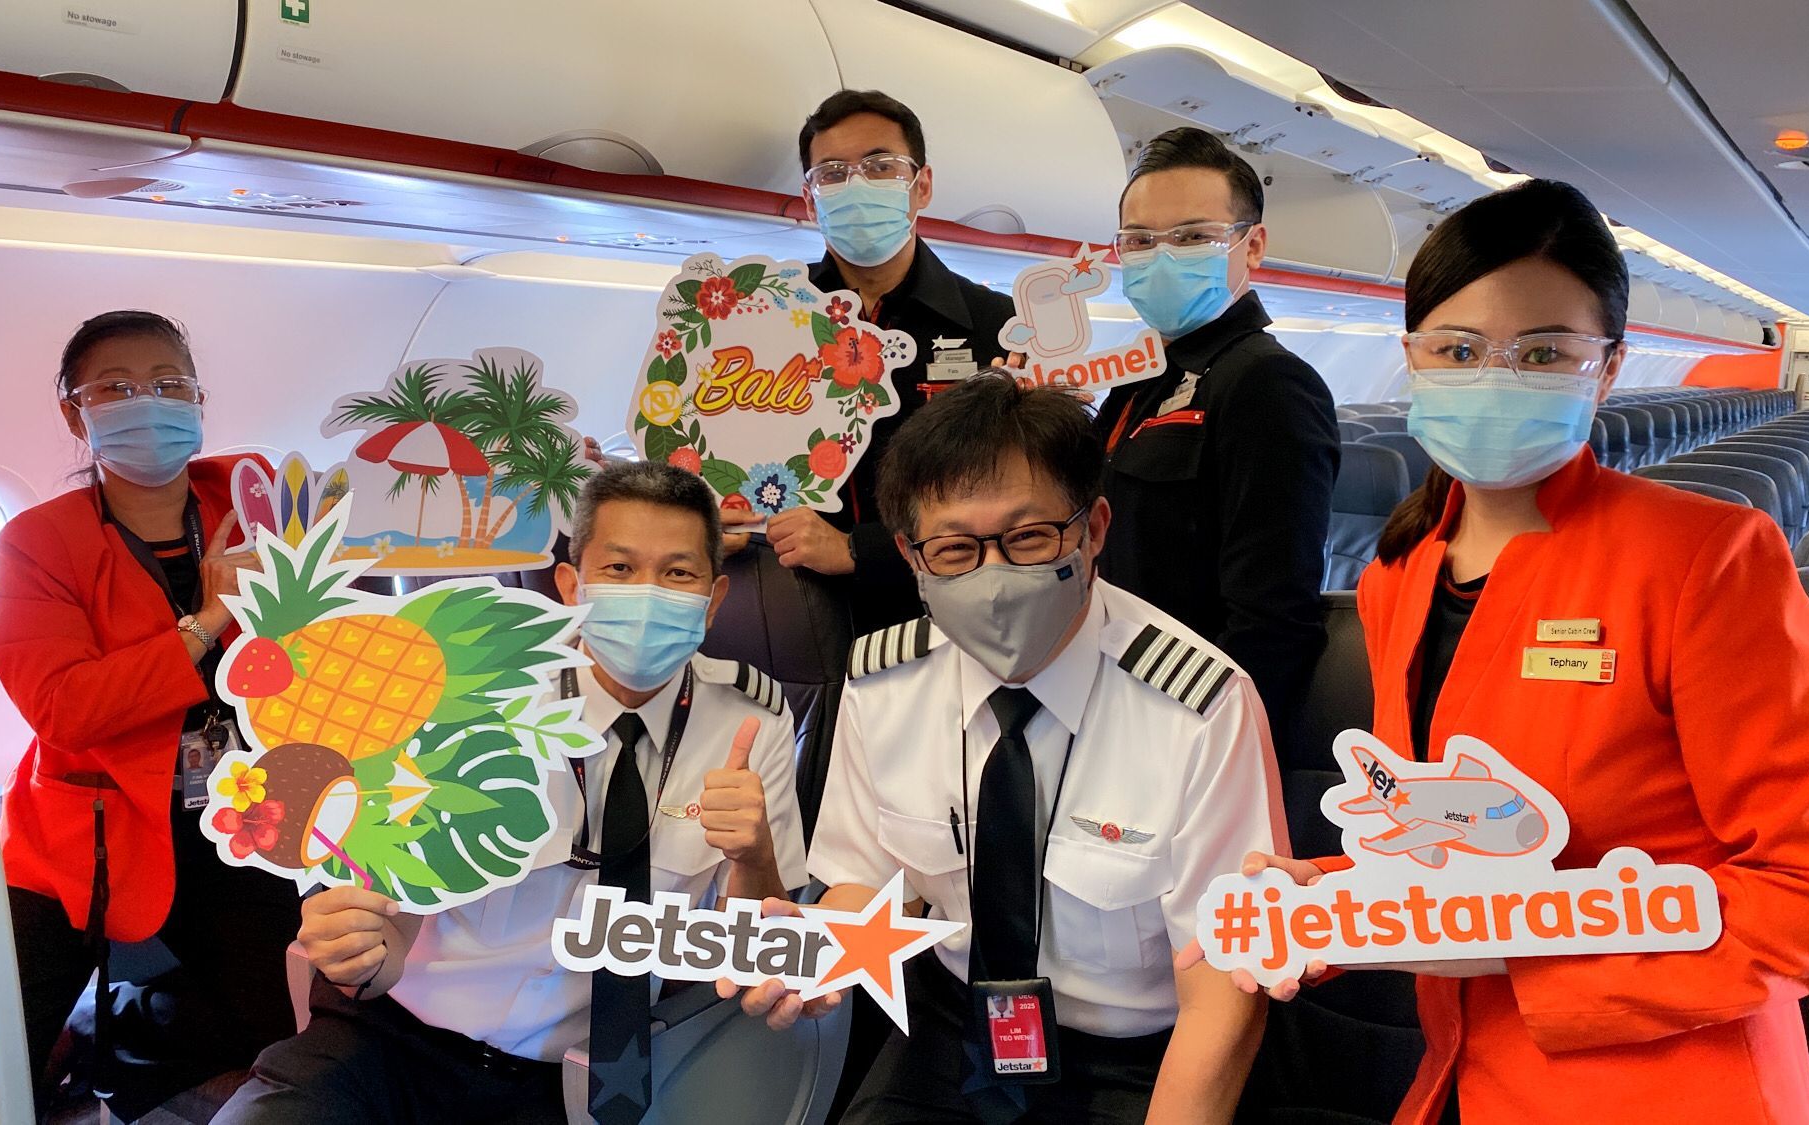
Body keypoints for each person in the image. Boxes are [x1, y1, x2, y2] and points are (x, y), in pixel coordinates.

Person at [1203, 180, 1809, 1123]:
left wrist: (1531, 951)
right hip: (1464, 1069)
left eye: (1542, 353)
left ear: (1606, 368)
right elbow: (1451, 841)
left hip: (1674, 1086)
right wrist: (1321, 898)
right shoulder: (1402, 570)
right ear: (1412, 360)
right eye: (1458, 350)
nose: (1495, 376)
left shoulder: (1703, 559)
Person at [752, 374, 1285, 1123]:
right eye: (955, 548)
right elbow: (868, 886)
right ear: (910, 555)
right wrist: (824, 955)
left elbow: (1226, 987)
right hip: (952, 1029)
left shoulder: (1200, 706)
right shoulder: (882, 683)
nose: (994, 576)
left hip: (1135, 1058)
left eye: (1029, 537)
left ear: (1094, 528)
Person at [215, 462, 806, 1125]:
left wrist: (753, 855)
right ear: (569, 583)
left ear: (715, 596)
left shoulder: (754, 721)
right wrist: (356, 942)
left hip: (575, 1078)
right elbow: (378, 920)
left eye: (677, 573)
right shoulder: (469, 691)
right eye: (618, 569)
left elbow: (757, 941)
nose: (647, 593)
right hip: (394, 1035)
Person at [0, 310, 300, 1118]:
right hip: (88, 824)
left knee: (285, 1021)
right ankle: (80, 1040)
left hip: (239, 812)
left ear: (199, 398)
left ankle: (131, 1029)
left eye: (169, 385)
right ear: (73, 412)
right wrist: (204, 620)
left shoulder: (247, 493)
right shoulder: (38, 542)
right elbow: (66, 708)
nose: (147, 404)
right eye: (116, 388)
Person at [725, 88, 1016, 634]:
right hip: (794, 614)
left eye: (880, 165)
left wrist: (860, 550)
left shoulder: (993, 325)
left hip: (946, 613)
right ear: (811, 201)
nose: (855, 185)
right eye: (832, 173)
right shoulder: (760, 318)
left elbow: (1006, 488)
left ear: (921, 185)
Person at [1094, 127, 1340, 754]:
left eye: (1194, 237)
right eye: (1140, 240)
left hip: (1183, 727)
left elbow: (1273, 617)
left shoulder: (1269, 382)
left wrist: (1198, 750)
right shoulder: (1136, 382)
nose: (1161, 255)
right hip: (1108, 701)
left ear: (1251, 246)